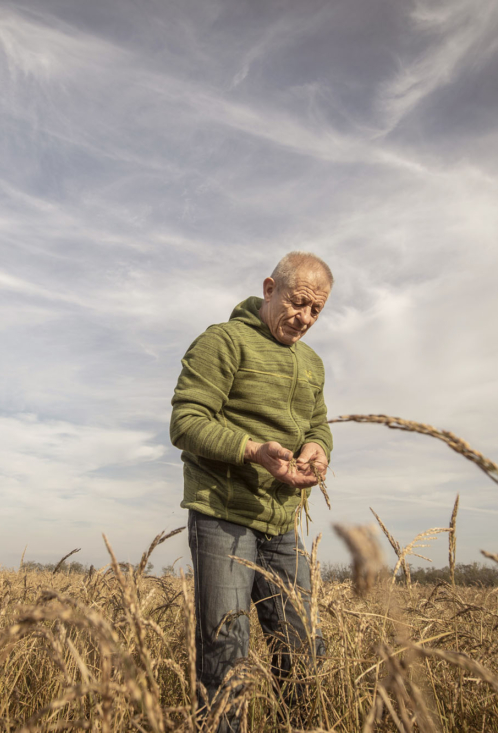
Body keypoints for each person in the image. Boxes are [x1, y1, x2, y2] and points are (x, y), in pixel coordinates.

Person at [170, 251, 333, 730]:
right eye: (298, 302)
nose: (304, 317)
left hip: (281, 523)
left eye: (316, 310)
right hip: (223, 517)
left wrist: (317, 449)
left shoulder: (312, 364)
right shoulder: (223, 341)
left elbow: (319, 426)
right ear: (269, 289)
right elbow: (185, 423)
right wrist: (253, 449)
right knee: (227, 654)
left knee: (302, 650)